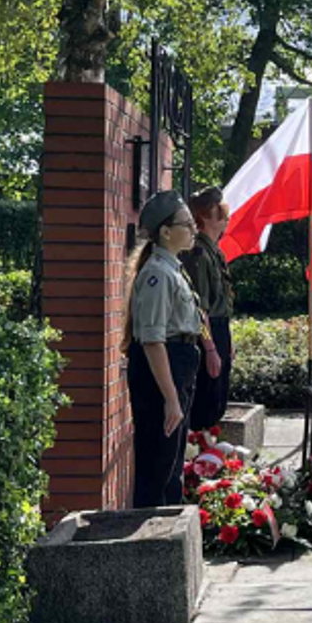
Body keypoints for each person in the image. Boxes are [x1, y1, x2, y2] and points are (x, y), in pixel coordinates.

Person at [125, 189, 206, 507]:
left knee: (171, 466)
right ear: (166, 232)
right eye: (187, 223)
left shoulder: (172, 268)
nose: (194, 229)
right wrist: (171, 399)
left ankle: (169, 528)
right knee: (157, 468)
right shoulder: (158, 274)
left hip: (178, 365)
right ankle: (151, 532)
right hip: (163, 370)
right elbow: (152, 341)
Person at [181, 187, 233, 432]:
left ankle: (207, 447)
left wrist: (226, 341)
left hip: (218, 328)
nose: (225, 216)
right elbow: (199, 307)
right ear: (204, 216)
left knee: (218, 398)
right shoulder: (199, 254)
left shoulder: (214, 251)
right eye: (219, 211)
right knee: (207, 401)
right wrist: (210, 347)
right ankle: (199, 450)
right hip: (207, 332)